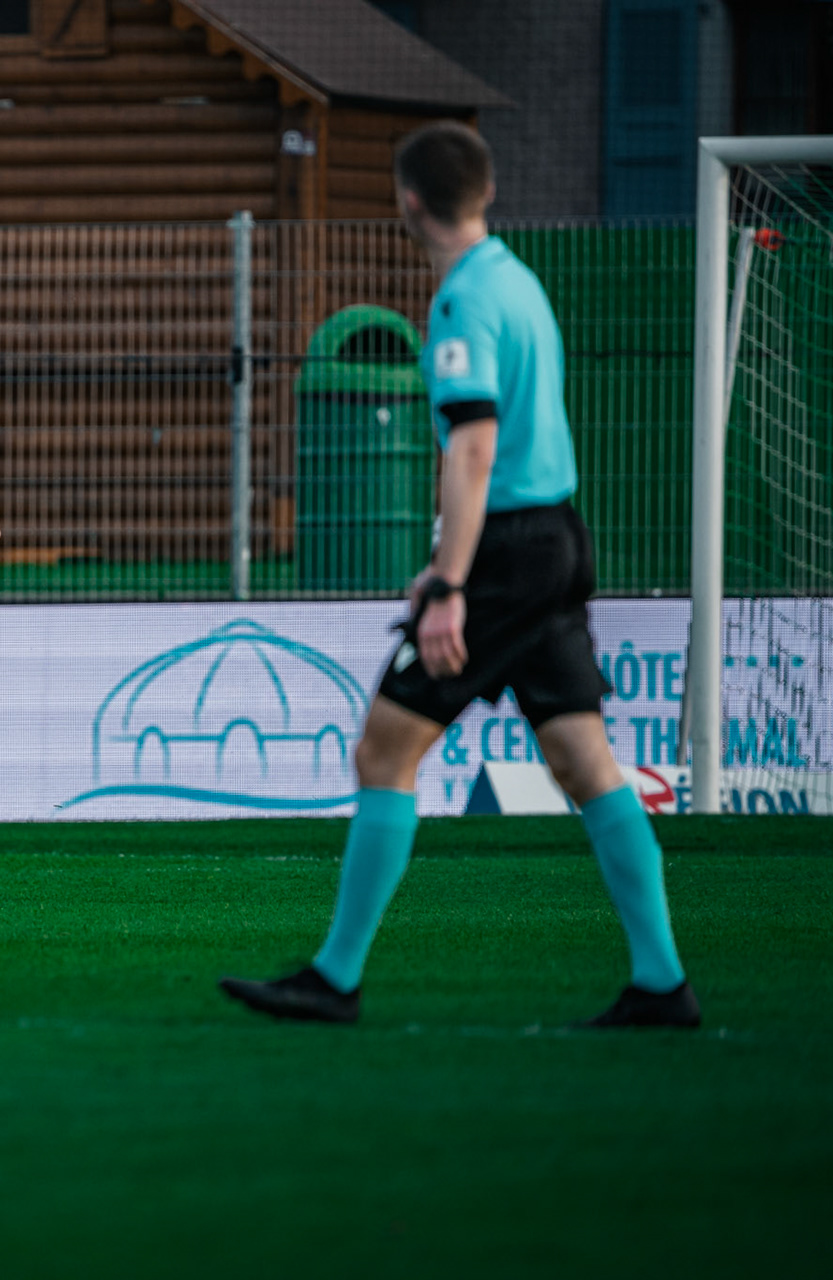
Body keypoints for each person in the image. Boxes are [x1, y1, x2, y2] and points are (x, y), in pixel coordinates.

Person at [220, 123, 699, 1029]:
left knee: (385, 750)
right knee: (582, 758)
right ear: (481, 192)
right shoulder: (517, 280)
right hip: (554, 535)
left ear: (407, 200)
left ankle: (335, 978)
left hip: (509, 552)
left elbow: (475, 448)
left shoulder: (462, 301)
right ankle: (662, 983)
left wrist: (448, 582)